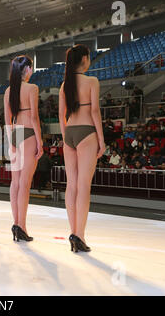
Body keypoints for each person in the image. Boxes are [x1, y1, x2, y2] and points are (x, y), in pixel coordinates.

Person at [58, 44, 105, 253]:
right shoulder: (92, 81)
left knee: (72, 185)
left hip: (70, 133)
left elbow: (62, 115)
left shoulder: (64, 85)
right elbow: (95, 111)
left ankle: (72, 232)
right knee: (84, 186)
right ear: (84, 59)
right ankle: (79, 235)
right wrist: (102, 140)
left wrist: (64, 135)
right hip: (87, 132)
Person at [3, 55, 43, 242]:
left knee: (15, 182)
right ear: (26, 69)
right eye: (31, 67)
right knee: (25, 184)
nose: (32, 71)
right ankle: (21, 226)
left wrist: (10, 140)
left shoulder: (8, 91)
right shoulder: (32, 88)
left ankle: (16, 223)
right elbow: (34, 118)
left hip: (15, 134)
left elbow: (7, 120)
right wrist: (40, 141)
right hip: (28, 133)